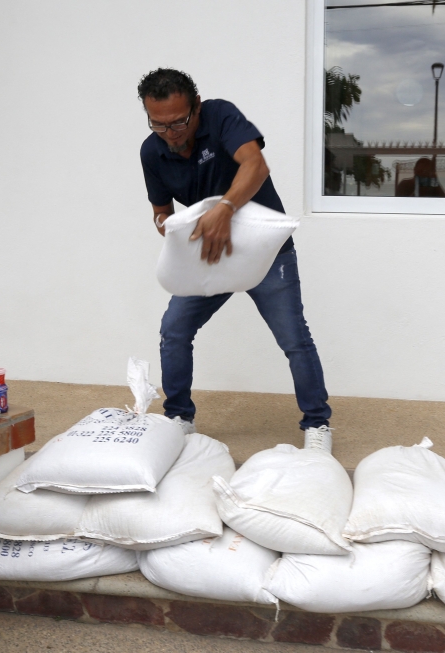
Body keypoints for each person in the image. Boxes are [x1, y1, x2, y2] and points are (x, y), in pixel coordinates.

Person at [137, 68, 333, 452]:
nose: (171, 132)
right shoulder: (151, 150)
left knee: (293, 338)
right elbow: (160, 213)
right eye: (158, 124)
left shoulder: (221, 115)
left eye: (179, 121)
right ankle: (179, 418)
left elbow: (255, 166)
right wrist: (171, 226)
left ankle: (317, 424)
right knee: (174, 330)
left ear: (196, 107)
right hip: (210, 255)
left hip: (264, 252)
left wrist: (225, 207)